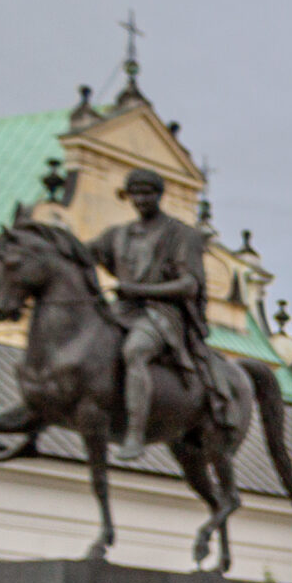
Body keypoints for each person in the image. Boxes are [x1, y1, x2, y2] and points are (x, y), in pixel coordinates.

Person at [87, 168, 210, 462]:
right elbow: (81, 253)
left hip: (162, 314)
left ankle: (134, 434)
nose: (141, 199)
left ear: (159, 195)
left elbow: (189, 284)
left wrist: (139, 290)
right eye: (135, 194)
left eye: (147, 193)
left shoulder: (181, 234)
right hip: (121, 311)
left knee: (135, 351)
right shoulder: (118, 235)